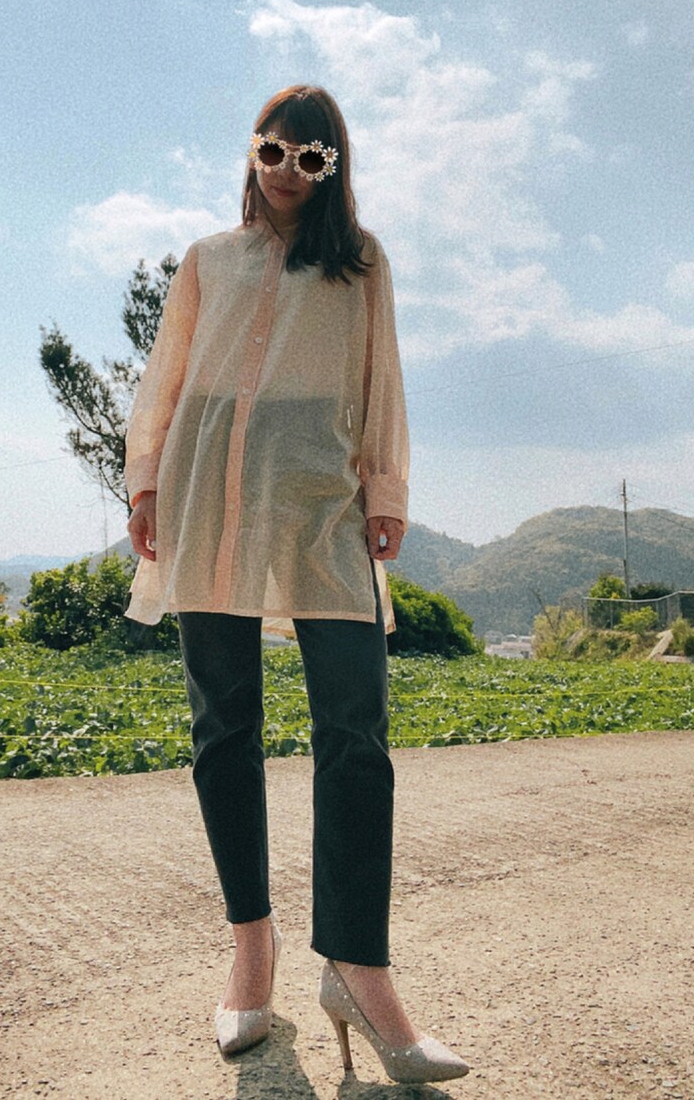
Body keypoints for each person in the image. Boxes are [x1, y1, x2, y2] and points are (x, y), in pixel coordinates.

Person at [124, 85, 469, 1084]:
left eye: (309, 157)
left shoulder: (360, 263)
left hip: (320, 501)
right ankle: (252, 948)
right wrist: (145, 482)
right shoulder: (207, 261)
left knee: (355, 729)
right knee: (222, 726)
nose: (286, 170)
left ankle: (358, 966)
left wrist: (386, 487)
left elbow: (381, 379)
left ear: (332, 167)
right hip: (206, 495)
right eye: (273, 150)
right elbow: (167, 379)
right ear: (253, 152)